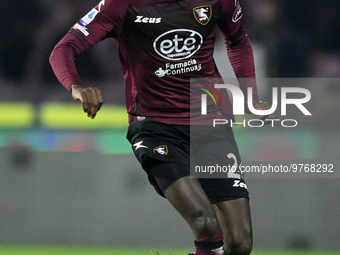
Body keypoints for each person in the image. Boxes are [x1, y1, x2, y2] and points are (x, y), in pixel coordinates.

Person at [50, 0, 276, 254]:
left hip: (212, 125)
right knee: (206, 223)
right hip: (155, 126)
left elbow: (237, 40)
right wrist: (76, 86)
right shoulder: (121, 5)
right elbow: (64, 48)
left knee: (240, 244)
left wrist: (250, 94)